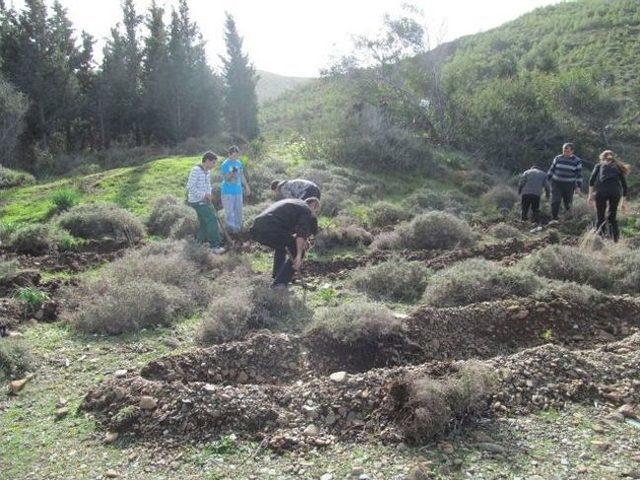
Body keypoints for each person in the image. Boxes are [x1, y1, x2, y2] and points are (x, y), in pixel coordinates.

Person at [249, 198, 321, 287]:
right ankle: (280, 284)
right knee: (298, 248)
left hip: (257, 228)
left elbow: (295, 231)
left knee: (282, 246)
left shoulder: (295, 204)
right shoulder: (306, 210)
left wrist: (303, 239)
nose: (316, 215)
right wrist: (299, 255)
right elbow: (301, 235)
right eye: (317, 212)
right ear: (313, 205)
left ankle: (278, 276)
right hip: (270, 227)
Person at [186, 151, 226, 254]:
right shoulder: (196, 170)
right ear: (207, 161)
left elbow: (208, 185)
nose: (214, 165)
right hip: (197, 201)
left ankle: (197, 244)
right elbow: (190, 187)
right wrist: (203, 195)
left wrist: (209, 194)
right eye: (213, 163)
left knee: (204, 223)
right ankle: (215, 246)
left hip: (205, 200)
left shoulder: (207, 172)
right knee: (212, 219)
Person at [588, 150, 629, 242]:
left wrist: (590, 195)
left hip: (601, 192)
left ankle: (599, 239)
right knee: (612, 217)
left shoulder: (599, 165)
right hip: (615, 193)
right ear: (613, 157)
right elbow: (624, 186)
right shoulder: (618, 167)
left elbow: (591, 181)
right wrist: (623, 201)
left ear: (602, 157)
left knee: (600, 216)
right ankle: (615, 240)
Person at [547, 142, 583, 223]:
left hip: (569, 185)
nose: (565, 152)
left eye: (567, 151)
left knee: (568, 204)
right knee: (555, 201)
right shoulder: (557, 158)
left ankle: (568, 221)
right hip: (556, 183)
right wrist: (547, 180)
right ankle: (554, 219)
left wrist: (578, 187)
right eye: (564, 150)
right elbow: (551, 170)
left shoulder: (577, 161)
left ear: (572, 151)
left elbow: (579, 175)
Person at [220, 145, 251, 234]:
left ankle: (239, 230)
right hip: (228, 192)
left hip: (238, 191)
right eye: (233, 155)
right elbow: (227, 178)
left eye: (237, 155)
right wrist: (232, 173)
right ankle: (231, 232)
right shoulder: (225, 164)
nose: (235, 157)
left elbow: (241, 175)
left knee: (239, 211)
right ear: (229, 154)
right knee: (230, 212)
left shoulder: (239, 163)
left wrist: (246, 186)